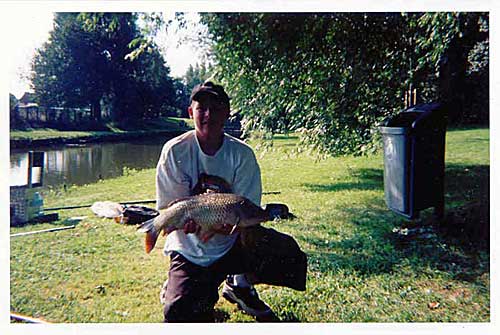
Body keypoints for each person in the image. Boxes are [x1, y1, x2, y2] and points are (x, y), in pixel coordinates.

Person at [155, 81, 307, 322]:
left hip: (233, 242)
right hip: (189, 249)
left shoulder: (242, 154)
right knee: (179, 313)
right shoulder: (175, 151)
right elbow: (168, 208)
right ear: (190, 112)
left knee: (289, 254)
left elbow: (249, 211)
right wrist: (190, 226)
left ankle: (240, 284)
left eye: (216, 108)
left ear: (227, 113)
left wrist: (235, 228)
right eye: (201, 108)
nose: (208, 115)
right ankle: (178, 286)